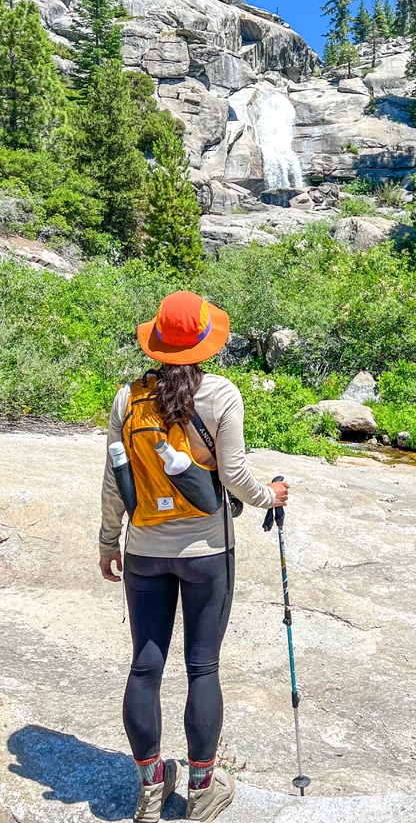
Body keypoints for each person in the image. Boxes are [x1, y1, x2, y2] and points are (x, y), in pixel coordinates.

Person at [99, 290, 289, 823]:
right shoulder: (222, 394)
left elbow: (117, 482)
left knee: (144, 667)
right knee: (202, 665)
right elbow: (234, 476)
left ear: (157, 345)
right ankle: (203, 790)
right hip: (208, 550)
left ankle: (151, 785)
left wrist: (108, 540)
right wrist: (269, 496)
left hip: (144, 552)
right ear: (206, 344)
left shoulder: (127, 398)